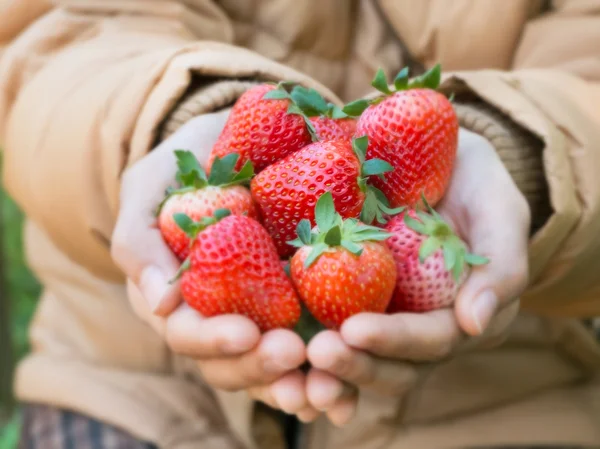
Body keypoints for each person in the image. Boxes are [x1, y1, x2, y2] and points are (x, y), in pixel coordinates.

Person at [1, 0, 600, 448]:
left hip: (511, 393)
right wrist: (162, 120)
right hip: (130, 382)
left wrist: (525, 162)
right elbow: (56, 35)